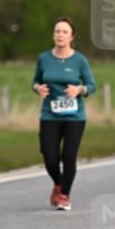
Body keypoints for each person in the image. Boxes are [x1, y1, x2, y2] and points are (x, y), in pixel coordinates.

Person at [32, 17, 96, 211]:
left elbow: (92, 86)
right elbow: (35, 81)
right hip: (49, 114)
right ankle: (58, 183)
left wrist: (79, 90)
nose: (60, 35)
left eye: (64, 32)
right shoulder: (44, 59)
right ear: (53, 35)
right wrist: (38, 88)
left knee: (68, 156)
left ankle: (64, 195)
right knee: (50, 156)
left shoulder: (79, 60)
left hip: (74, 117)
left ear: (71, 37)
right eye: (57, 31)